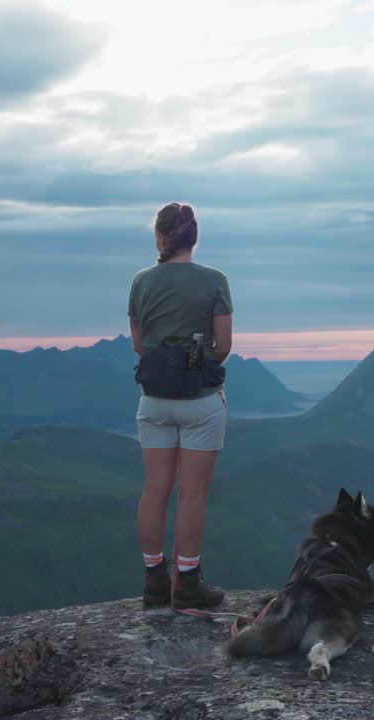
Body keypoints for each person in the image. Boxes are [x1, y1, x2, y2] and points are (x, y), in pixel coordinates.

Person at [128, 202, 232, 609]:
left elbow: (139, 345)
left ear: (160, 237)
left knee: (155, 489)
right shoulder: (215, 281)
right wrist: (197, 364)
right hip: (200, 403)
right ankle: (186, 581)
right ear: (194, 236)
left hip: (153, 401)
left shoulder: (140, 282)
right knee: (192, 494)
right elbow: (222, 346)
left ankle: (154, 578)